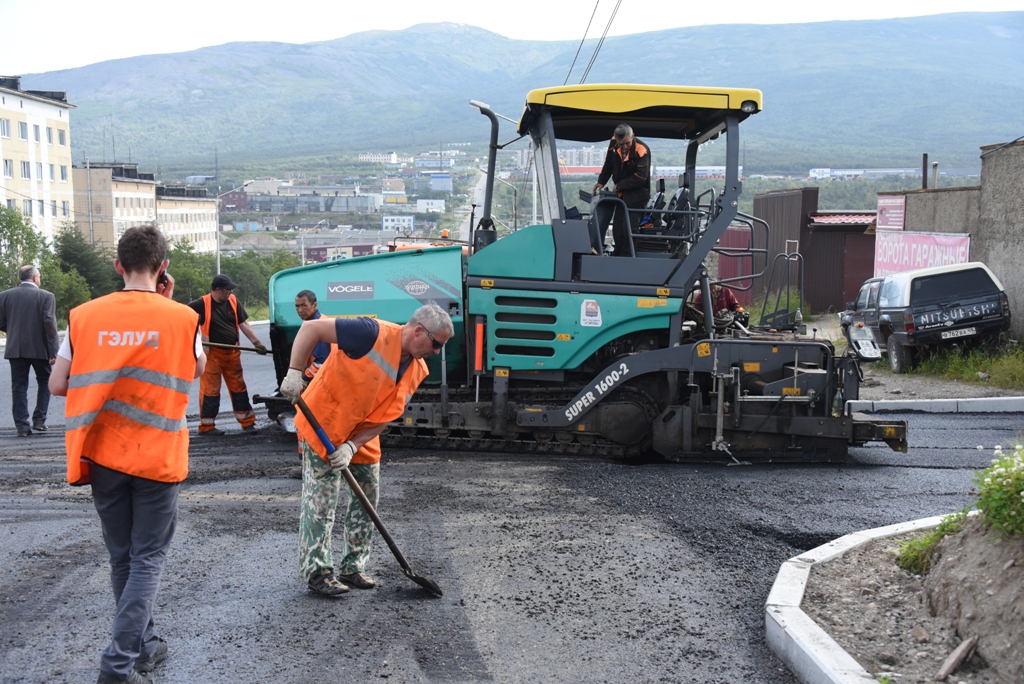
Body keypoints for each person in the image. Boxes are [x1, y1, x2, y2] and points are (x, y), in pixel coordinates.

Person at [49, 225, 206, 684]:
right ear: (164, 267)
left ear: (118, 265)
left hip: (101, 455)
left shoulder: (84, 316)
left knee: (123, 558)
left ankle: (144, 644)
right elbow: (195, 369)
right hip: (157, 457)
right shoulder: (181, 317)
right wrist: (170, 302)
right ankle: (117, 665)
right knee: (148, 558)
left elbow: (59, 384)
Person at [278, 302, 453, 596]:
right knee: (321, 501)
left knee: (367, 496)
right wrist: (294, 373)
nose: (437, 352)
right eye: (436, 345)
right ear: (419, 331)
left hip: (362, 436)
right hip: (326, 423)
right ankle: (318, 572)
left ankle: (353, 566)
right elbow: (311, 328)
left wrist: (351, 446)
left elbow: (388, 416)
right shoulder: (369, 332)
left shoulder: (417, 368)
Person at [188, 274, 267, 435]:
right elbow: (182, 321)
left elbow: (243, 323)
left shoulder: (232, 301)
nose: (230, 292)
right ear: (217, 290)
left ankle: (247, 422)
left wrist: (257, 343)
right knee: (210, 391)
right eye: (227, 289)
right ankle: (207, 426)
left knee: (239, 388)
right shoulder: (201, 304)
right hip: (211, 356)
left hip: (232, 354)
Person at [0, 265, 59, 437]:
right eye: (39, 277)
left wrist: (13, 330)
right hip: (39, 348)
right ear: (35, 278)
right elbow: (49, 324)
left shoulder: (5, 296)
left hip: (16, 349)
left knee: (18, 386)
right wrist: (53, 351)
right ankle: (39, 421)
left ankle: (22, 427)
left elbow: (1, 321)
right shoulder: (46, 296)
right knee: (45, 381)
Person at [592, 124, 651, 257]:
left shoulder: (642, 150)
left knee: (629, 229)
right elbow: (609, 165)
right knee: (618, 229)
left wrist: (620, 185)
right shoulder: (613, 144)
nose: (624, 147)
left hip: (636, 196)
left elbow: (640, 177)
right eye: (621, 144)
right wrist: (601, 182)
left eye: (627, 143)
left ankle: (628, 258)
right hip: (622, 196)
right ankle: (617, 256)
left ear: (632, 136)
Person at [294, 289, 331, 390]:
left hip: (323, 383)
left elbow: (321, 362)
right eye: (297, 306)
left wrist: (303, 380)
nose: (300, 310)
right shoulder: (313, 322)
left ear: (314, 305)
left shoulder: (319, 326)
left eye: (304, 305)